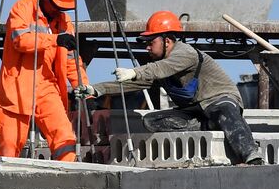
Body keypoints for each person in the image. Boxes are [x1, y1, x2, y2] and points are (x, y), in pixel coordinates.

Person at [97, 10, 260, 165]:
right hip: (195, 110)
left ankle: (251, 156)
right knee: (152, 120)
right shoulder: (164, 66)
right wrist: (97, 89)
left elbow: (159, 68)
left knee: (225, 112)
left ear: (167, 41)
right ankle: (208, 124)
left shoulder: (185, 53)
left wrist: (133, 71)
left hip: (218, 100)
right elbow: (136, 83)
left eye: (151, 42)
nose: (147, 48)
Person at [0, 0, 88, 162]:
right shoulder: (22, 7)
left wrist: (85, 88)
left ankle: (67, 180)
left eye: (63, 8)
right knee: (9, 148)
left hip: (46, 87)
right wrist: (55, 40)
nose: (58, 11)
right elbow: (20, 41)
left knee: (65, 140)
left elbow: (71, 59)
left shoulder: (64, 22)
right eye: (56, 6)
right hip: (17, 89)